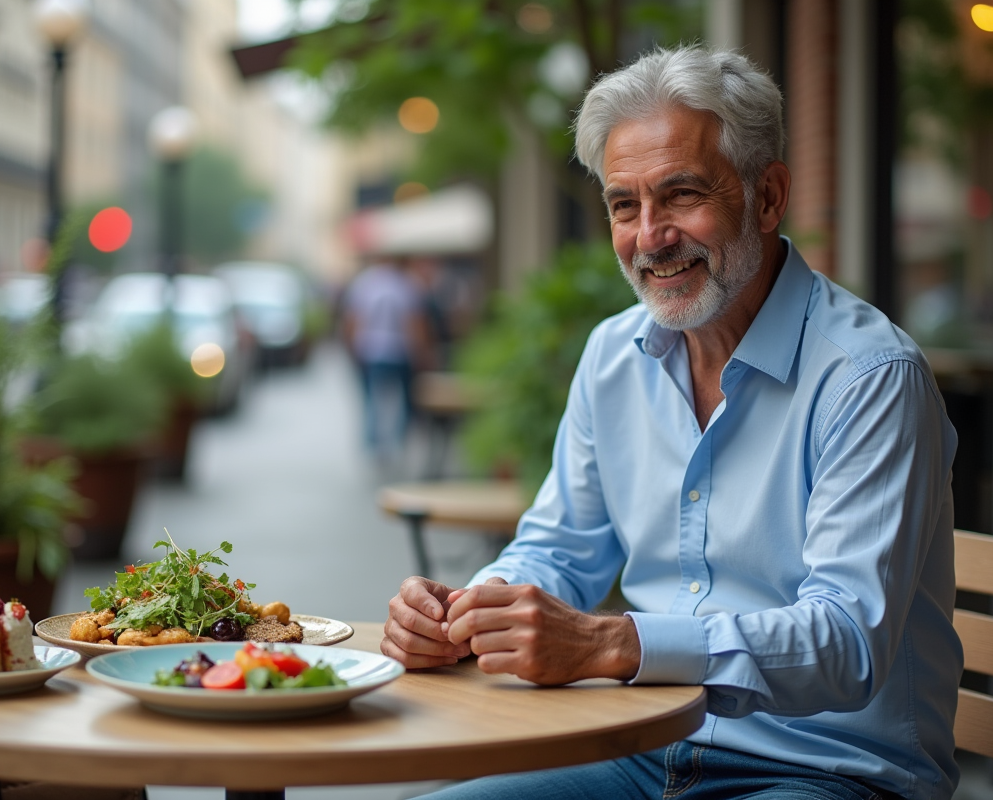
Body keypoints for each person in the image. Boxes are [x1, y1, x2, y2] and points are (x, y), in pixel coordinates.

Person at [382, 45, 961, 800]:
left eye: (681, 195)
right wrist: (471, 612)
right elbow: (561, 549)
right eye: (625, 205)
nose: (650, 236)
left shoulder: (871, 378)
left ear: (768, 196)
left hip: (830, 771)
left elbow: (846, 641)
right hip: (641, 747)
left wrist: (614, 643)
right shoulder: (611, 356)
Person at [341, 256, 427, 460]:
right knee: (403, 399)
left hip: (371, 349)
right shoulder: (405, 283)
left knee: (372, 399)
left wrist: (352, 348)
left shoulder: (365, 282)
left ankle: (373, 441)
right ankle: (399, 439)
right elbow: (413, 322)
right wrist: (421, 350)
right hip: (399, 349)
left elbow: (353, 319)